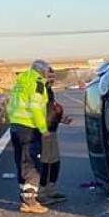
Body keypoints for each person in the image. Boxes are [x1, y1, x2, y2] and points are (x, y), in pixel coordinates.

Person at [6, 60, 52, 214]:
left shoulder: (21, 82)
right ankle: (30, 201)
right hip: (29, 129)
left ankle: (25, 196)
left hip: (15, 127)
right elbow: (36, 108)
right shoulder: (37, 83)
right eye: (46, 71)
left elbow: (10, 105)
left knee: (21, 162)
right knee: (32, 164)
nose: (47, 74)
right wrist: (43, 129)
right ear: (41, 71)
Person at [38, 78, 70, 206]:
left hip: (51, 130)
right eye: (50, 75)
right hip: (44, 132)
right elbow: (41, 111)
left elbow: (50, 110)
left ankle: (50, 190)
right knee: (45, 163)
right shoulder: (40, 89)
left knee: (54, 162)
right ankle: (41, 193)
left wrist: (60, 119)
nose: (53, 79)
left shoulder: (48, 90)